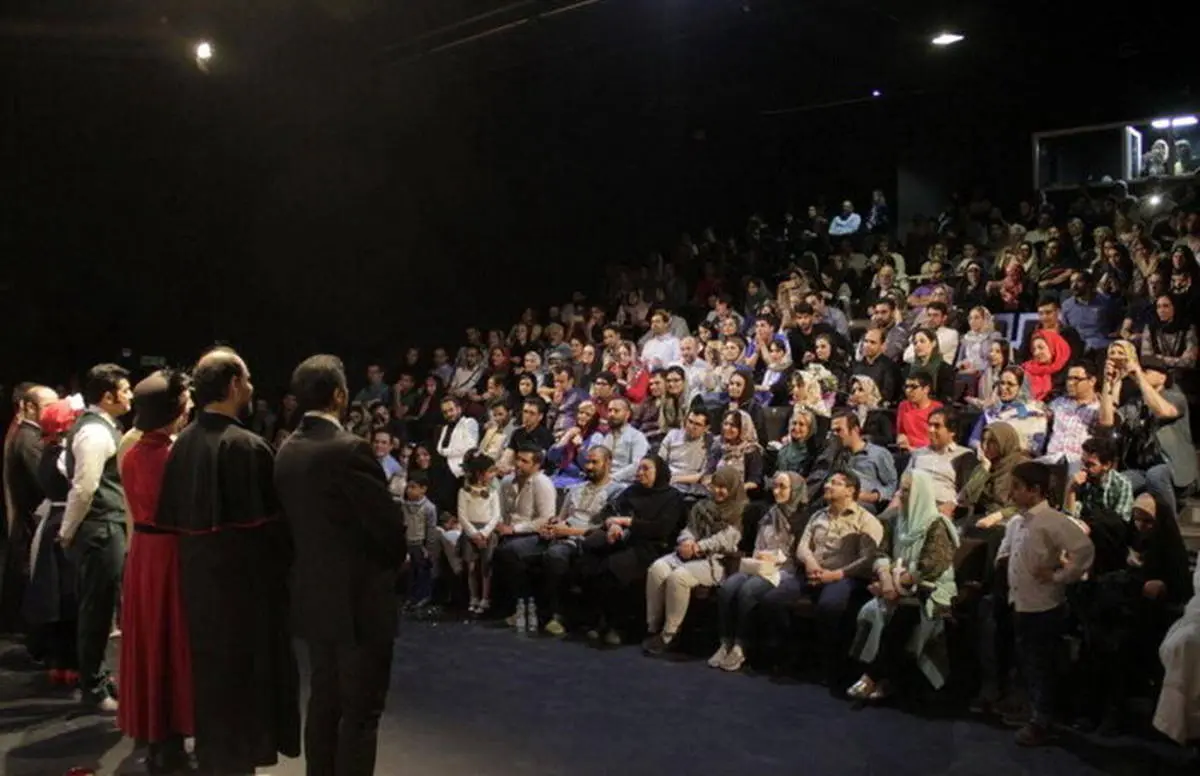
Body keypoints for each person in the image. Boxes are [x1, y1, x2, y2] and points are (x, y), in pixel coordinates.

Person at [154, 348, 300, 774]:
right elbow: (273, 533)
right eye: (247, 379)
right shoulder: (247, 447)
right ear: (234, 384)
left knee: (210, 687)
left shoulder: (181, 446)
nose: (251, 388)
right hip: (245, 597)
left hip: (198, 591)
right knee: (244, 694)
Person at [273, 354, 405, 776]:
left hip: (313, 598)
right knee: (361, 711)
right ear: (339, 396)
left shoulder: (286, 450)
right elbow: (388, 531)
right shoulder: (349, 450)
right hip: (359, 604)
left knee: (325, 702)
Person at [117, 370, 195, 774]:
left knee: (149, 641)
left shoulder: (131, 453)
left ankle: (154, 733)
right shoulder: (175, 457)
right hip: (169, 553)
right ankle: (173, 735)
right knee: (172, 642)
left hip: (144, 553)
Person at [1000, 461, 1095, 747]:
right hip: (1022, 602)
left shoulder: (1051, 521)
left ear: (1035, 490)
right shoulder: (1019, 522)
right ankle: (1034, 710)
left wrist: (1059, 576)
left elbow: (1083, 549)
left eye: (1017, 487)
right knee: (1028, 661)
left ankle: (1043, 720)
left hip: (1043, 606)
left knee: (1041, 664)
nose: (1012, 493)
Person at [58, 363, 133, 712]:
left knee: (102, 608)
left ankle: (98, 677)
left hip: (104, 526)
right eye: (125, 390)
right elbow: (84, 487)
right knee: (96, 609)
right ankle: (93, 686)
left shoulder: (100, 428)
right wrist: (67, 530)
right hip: (99, 529)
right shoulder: (94, 432)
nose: (130, 395)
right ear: (107, 396)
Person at [848, 470, 958, 702]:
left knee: (905, 612)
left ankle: (873, 676)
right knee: (872, 609)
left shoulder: (937, 525)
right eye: (901, 489)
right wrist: (887, 582)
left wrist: (895, 586)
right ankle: (884, 679)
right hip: (898, 584)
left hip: (931, 588)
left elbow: (932, 566)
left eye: (907, 490)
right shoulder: (896, 520)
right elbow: (882, 553)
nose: (901, 494)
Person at [579, 455, 685, 646]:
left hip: (653, 546)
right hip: (625, 539)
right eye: (639, 468)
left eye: (646, 469)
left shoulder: (672, 497)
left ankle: (619, 626)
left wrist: (629, 522)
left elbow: (662, 529)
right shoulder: (632, 491)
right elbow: (611, 511)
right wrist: (614, 525)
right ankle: (596, 618)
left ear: (659, 472)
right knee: (591, 549)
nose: (640, 473)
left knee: (615, 565)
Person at [642, 466, 746, 656]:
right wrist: (687, 541)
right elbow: (690, 528)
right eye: (715, 486)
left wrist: (699, 547)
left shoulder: (740, 510)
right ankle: (653, 626)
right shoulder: (702, 506)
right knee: (657, 568)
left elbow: (727, 539)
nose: (718, 491)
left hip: (718, 560)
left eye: (723, 487)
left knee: (678, 577)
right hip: (691, 552)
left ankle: (670, 633)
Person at [710, 472, 808, 672]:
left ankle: (741, 645)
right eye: (775, 486)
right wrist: (761, 556)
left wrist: (775, 558)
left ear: (795, 490)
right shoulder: (769, 513)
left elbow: (799, 554)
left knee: (749, 589)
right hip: (759, 564)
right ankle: (725, 642)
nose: (776, 491)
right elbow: (758, 543)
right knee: (729, 587)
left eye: (782, 487)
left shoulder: (803, 518)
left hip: (786, 569)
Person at [0, 384, 57, 635]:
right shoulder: (28, 438)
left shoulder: (27, 434)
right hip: (30, 515)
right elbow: (44, 480)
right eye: (48, 406)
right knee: (24, 570)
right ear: (30, 407)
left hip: (27, 515)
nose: (53, 411)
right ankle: (20, 626)